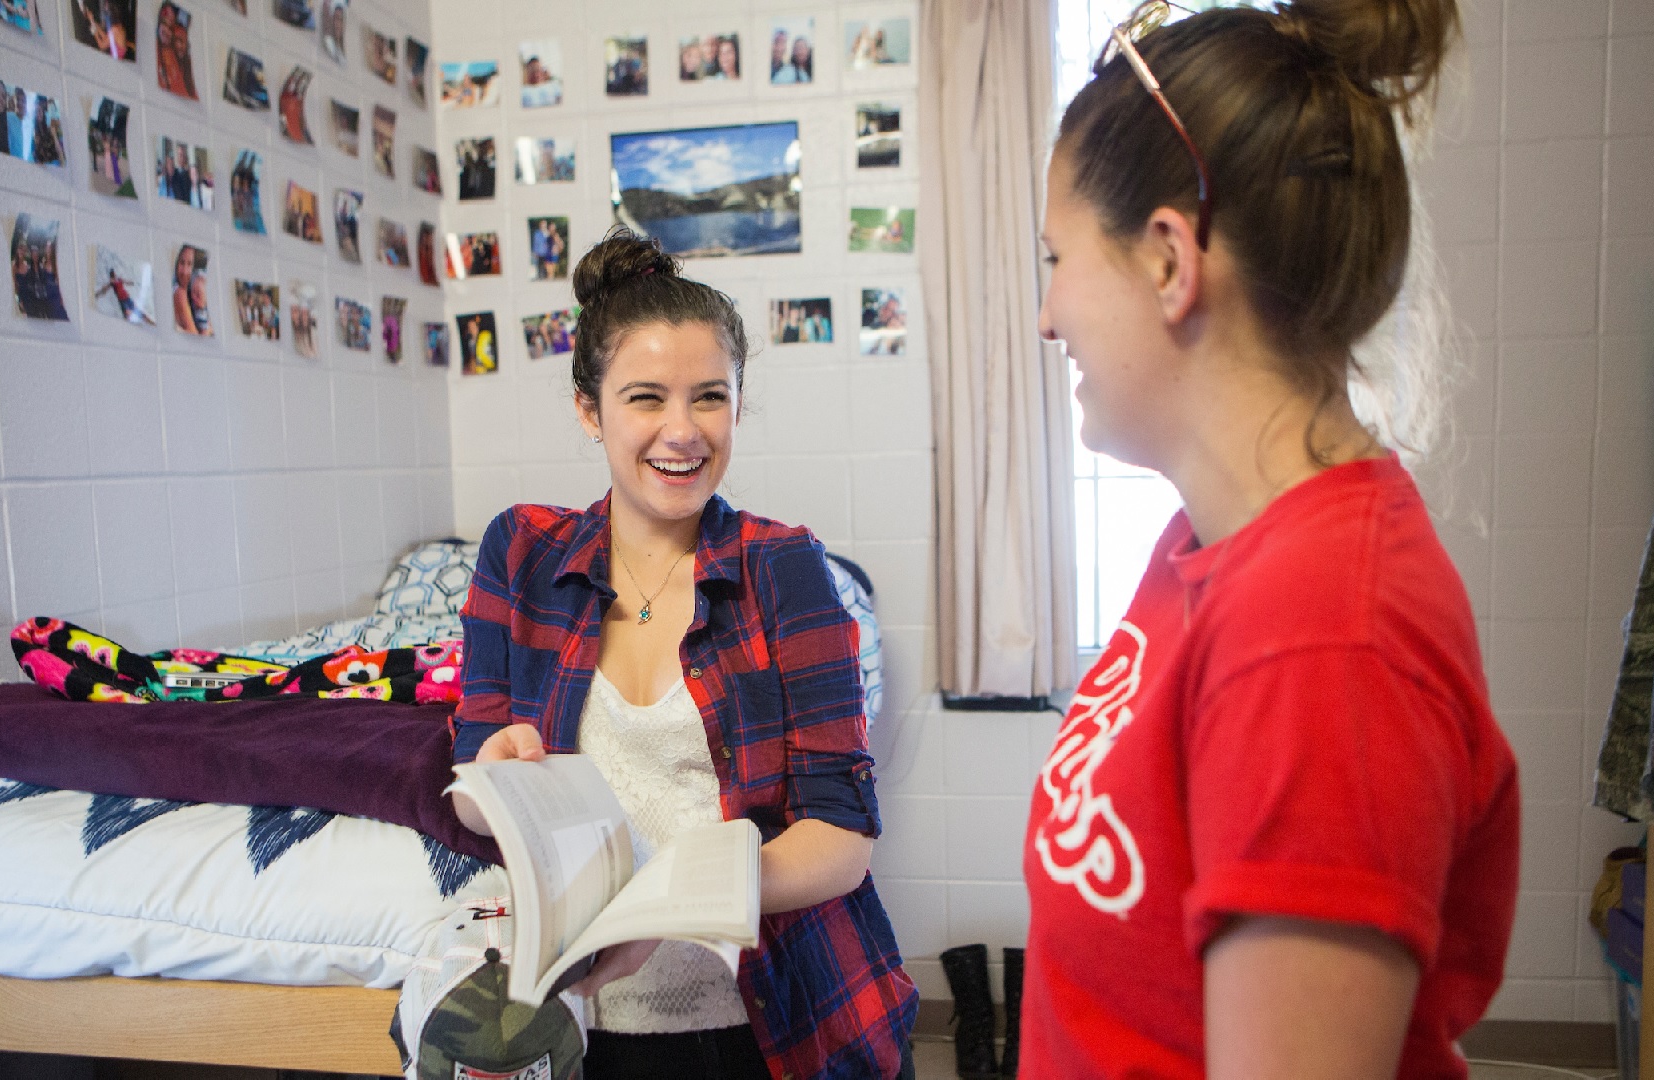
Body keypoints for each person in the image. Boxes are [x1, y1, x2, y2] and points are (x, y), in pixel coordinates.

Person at [1020, 1, 1519, 1078]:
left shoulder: (1323, 639)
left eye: (1056, 257)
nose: (1047, 315)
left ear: (1168, 262)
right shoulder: (1207, 545)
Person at [451, 228, 917, 1079]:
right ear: (589, 410)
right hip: (582, 1021)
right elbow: (474, 798)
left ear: (739, 403)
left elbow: (842, 841)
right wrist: (502, 767)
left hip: (770, 1022)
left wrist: (669, 905)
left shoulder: (786, 569)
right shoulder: (519, 552)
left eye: (709, 396)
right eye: (644, 398)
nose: (682, 430)